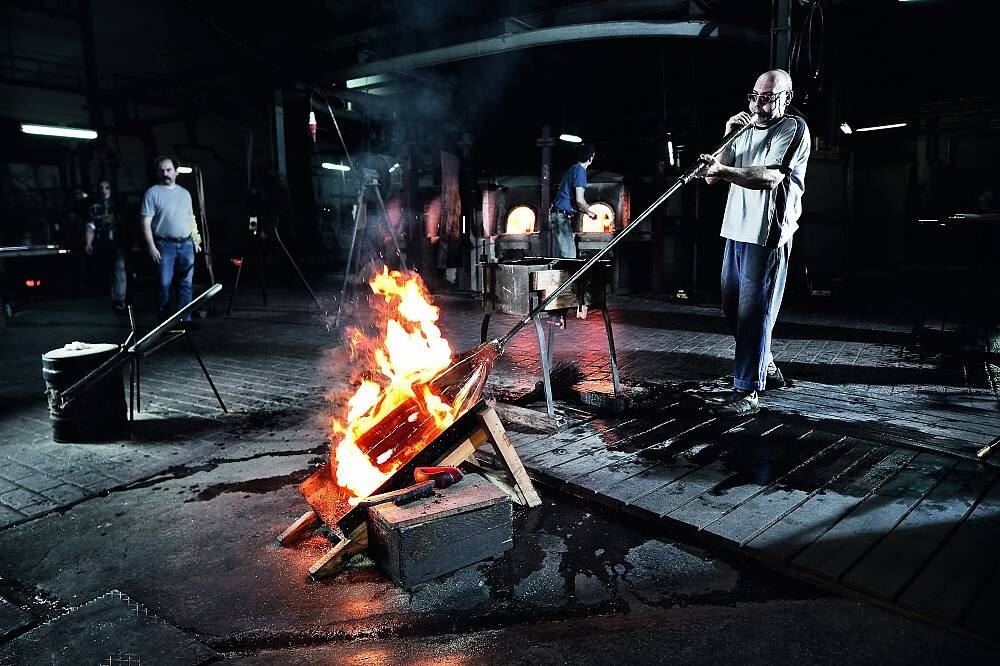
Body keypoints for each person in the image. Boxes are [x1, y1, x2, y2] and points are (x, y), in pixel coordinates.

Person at [697, 69, 811, 416]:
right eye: (755, 96)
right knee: (732, 307)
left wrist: (722, 170)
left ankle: (747, 391)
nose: (759, 104)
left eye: (768, 97)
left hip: (767, 232)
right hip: (735, 229)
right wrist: (729, 136)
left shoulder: (792, 128)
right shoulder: (743, 127)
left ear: (786, 98)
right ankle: (767, 366)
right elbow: (712, 181)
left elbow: (770, 177)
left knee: (753, 313)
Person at [140, 156, 202, 322]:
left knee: (186, 284)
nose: (165, 173)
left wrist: (196, 239)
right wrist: (151, 246)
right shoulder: (152, 193)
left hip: (186, 243)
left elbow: (191, 217)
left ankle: (184, 319)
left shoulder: (185, 194)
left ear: (176, 172)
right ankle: (164, 321)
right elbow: (146, 222)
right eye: (162, 170)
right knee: (164, 284)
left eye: (168, 170)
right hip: (164, 245)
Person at [85, 179, 127, 313]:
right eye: (102, 188)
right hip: (103, 243)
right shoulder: (94, 208)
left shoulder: (118, 205)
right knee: (110, 272)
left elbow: (126, 225)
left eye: (107, 188)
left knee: (119, 270)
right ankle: (114, 298)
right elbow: (90, 226)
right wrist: (88, 243)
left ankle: (119, 300)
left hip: (118, 243)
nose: (104, 190)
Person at [550, 143, 598, 258]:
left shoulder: (573, 169)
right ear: (591, 158)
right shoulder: (580, 171)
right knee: (569, 256)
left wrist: (584, 209)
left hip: (558, 215)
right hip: (561, 216)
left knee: (561, 256)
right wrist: (590, 212)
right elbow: (580, 200)